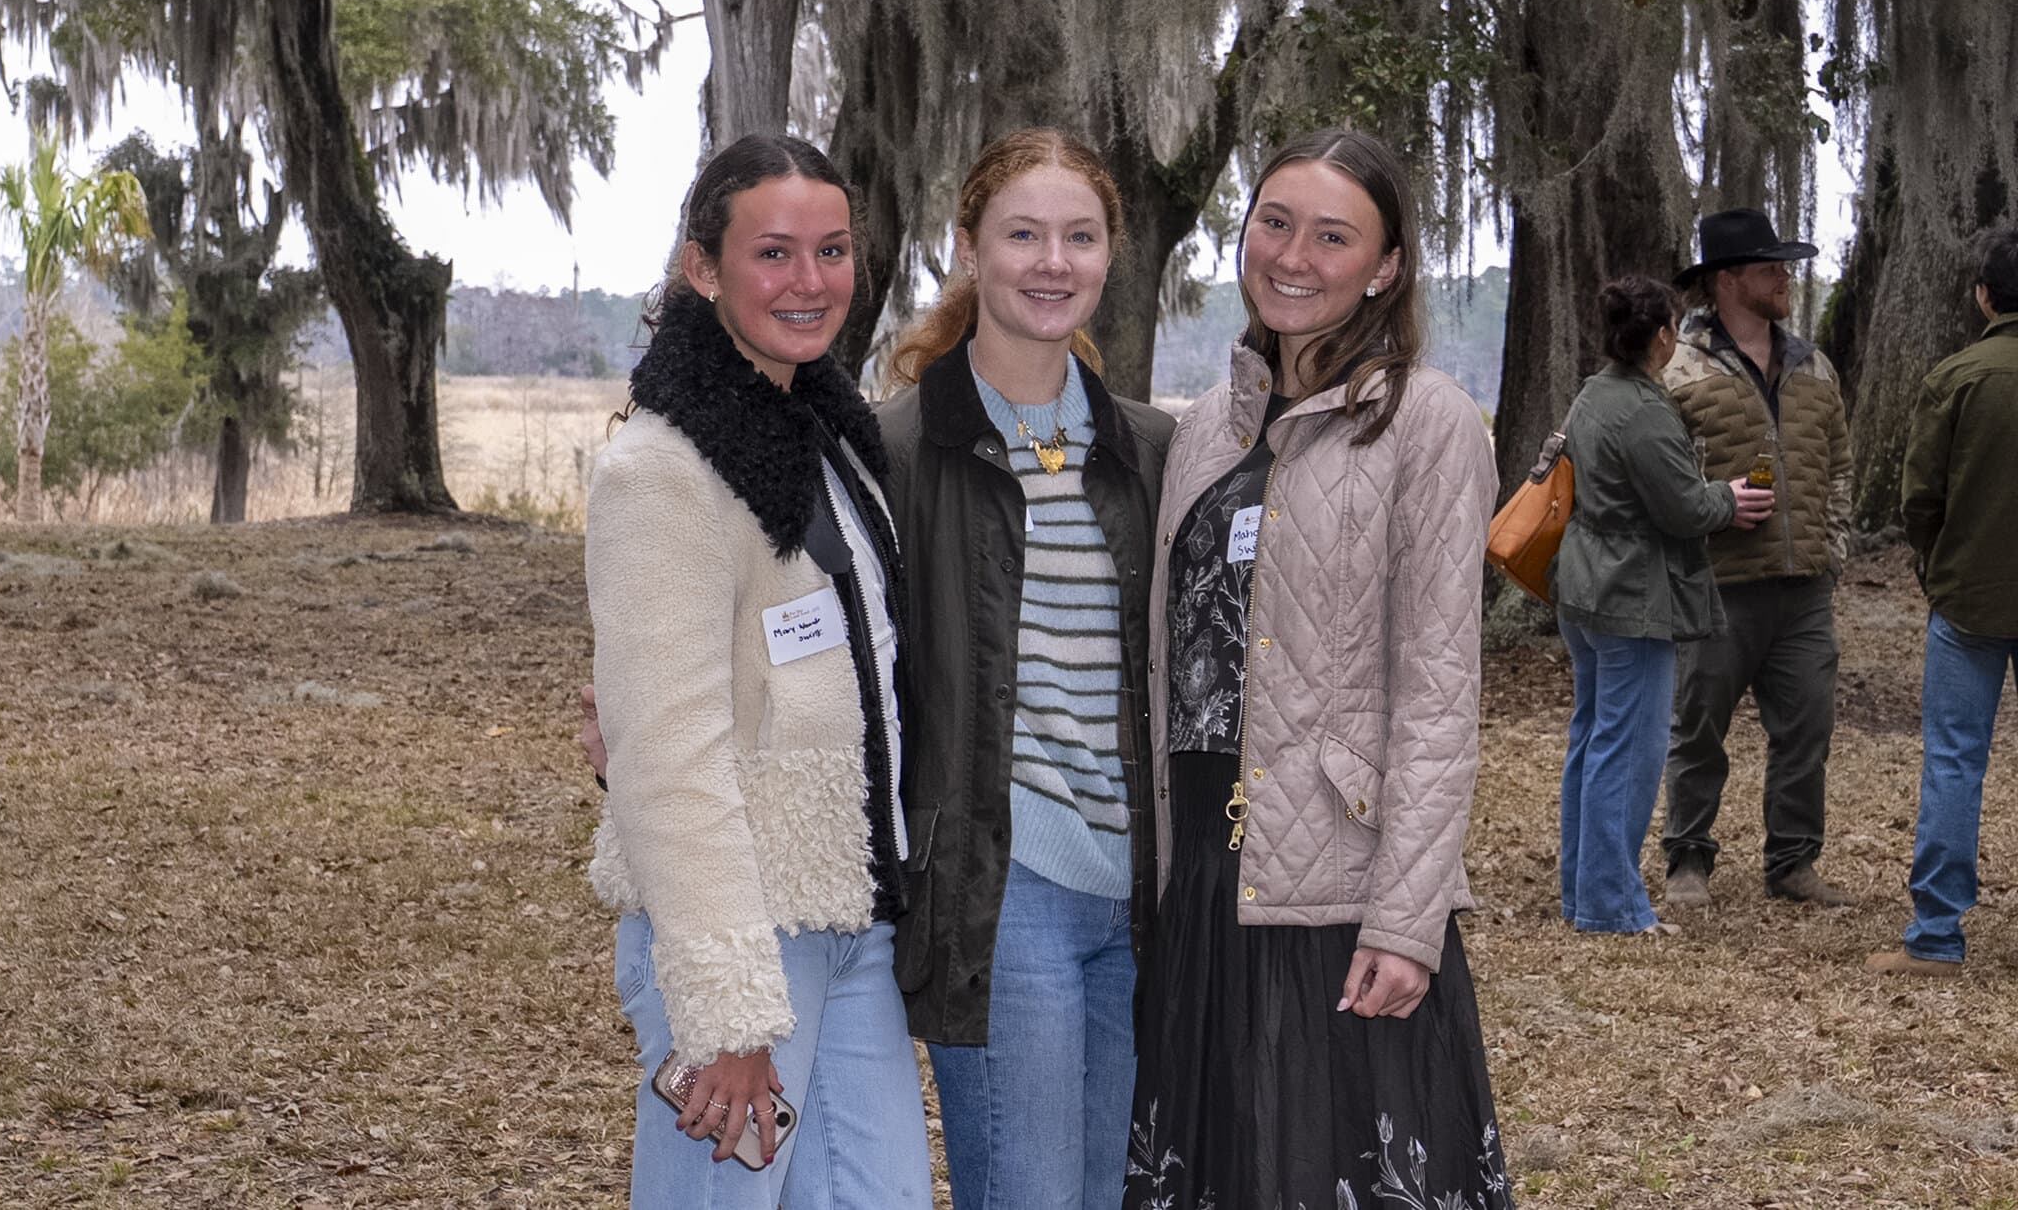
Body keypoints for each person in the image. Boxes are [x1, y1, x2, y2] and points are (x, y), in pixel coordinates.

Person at [1124, 128, 1511, 1209]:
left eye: (1333, 237)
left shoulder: (1426, 424)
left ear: (1386, 267)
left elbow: (1439, 694)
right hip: (1206, 876)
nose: (1293, 256)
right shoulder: (1206, 429)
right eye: (1275, 223)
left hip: (1338, 884)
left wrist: (1407, 920)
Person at [582, 133, 932, 1209]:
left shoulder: (826, 433)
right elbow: (669, 760)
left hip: (847, 914)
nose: (808, 281)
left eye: (831, 251)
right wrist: (727, 1013)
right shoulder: (661, 471)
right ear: (703, 267)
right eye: (773, 253)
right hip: (741, 933)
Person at [881, 128, 1171, 1210]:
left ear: (1109, 255)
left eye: (1080, 237)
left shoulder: (1150, 451)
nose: (1053, 262)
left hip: (1141, 894)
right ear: (967, 247)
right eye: (1022, 235)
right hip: (1003, 895)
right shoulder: (901, 451)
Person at [1551, 276, 1775, 936]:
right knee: (1628, 751)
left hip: (1583, 587)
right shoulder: (1644, 411)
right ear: (1660, 337)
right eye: (1674, 327)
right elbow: (1682, 509)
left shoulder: (1594, 393)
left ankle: (1583, 891)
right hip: (1630, 596)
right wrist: (1729, 497)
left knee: (1593, 740)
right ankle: (1612, 906)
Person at [1661, 207, 1856, 910]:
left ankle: (1793, 863)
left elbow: (1840, 465)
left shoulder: (1815, 366)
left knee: (1807, 729)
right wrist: (1712, 510)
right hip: (1717, 586)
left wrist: (1832, 547)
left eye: (1785, 268)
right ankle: (1688, 860)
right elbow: (1658, 478)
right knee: (1698, 729)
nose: (1784, 279)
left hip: (1804, 590)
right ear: (1727, 280)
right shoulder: (1677, 371)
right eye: (1770, 268)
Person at [1866, 226, 2018, 977]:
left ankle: (1936, 937)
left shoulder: (1957, 377)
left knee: (1955, 761)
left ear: (1984, 296)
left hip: (1969, 595)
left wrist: (1935, 561)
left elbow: (1919, 498)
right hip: (1968, 591)